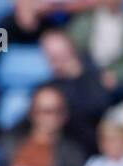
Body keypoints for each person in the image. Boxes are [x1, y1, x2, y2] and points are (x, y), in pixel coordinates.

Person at [40, 27, 112, 158]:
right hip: (57, 150)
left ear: (71, 50)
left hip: (88, 148)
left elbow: (95, 107)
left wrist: (75, 74)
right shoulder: (47, 87)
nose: (55, 60)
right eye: (50, 55)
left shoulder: (92, 77)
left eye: (59, 53)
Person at [65, 0, 123, 101]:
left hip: (117, 85)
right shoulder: (85, 20)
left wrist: (117, 75)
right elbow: (71, 47)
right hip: (86, 74)